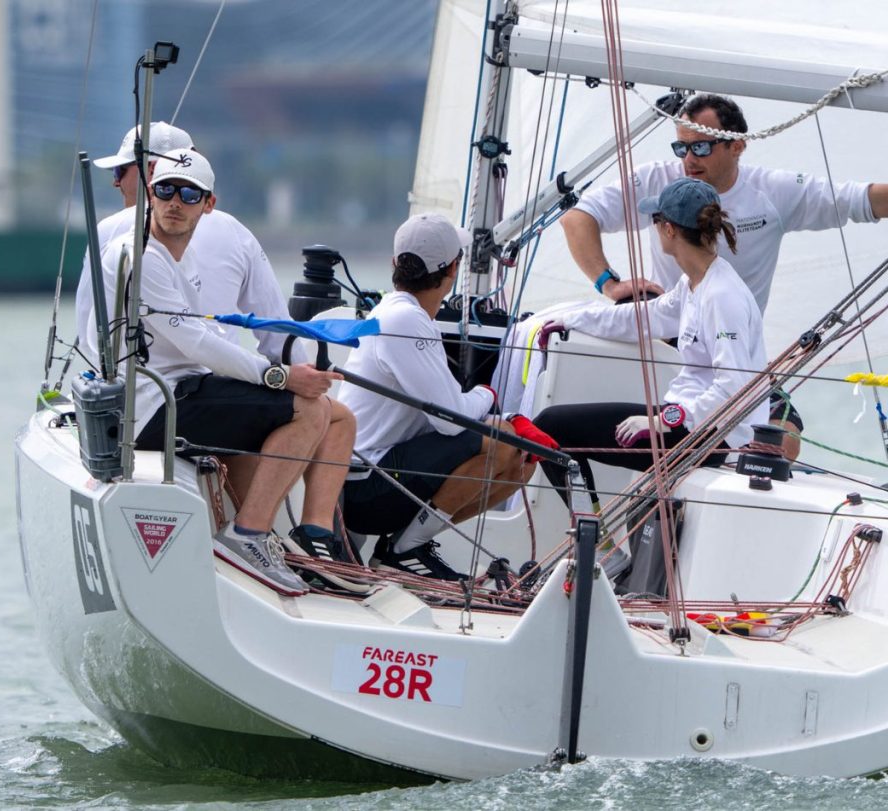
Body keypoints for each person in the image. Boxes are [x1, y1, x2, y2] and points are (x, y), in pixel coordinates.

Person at [559, 93, 887, 460]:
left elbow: (866, 199)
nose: (688, 159)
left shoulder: (772, 193)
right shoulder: (657, 181)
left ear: (737, 146)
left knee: (780, 442)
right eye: (680, 147)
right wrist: (609, 283)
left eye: (701, 146)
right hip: (669, 337)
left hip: (730, 345)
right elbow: (577, 217)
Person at [91, 149, 356, 596]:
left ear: (208, 204)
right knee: (307, 411)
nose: (176, 202)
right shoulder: (141, 256)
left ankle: (313, 538)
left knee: (337, 415)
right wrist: (281, 378)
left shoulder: (179, 258)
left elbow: (204, 338)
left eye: (189, 194)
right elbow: (194, 342)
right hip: (154, 407)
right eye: (166, 190)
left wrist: (278, 374)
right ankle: (248, 537)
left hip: (183, 392)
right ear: (150, 196)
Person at [77, 122, 307, 497]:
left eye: (121, 170)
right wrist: (292, 378)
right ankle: (275, 532)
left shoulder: (112, 233)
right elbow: (277, 332)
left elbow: (90, 336)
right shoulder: (235, 231)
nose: (115, 182)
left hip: (163, 403)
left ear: (150, 172)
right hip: (215, 390)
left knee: (291, 410)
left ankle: (252, 533)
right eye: (166, 191)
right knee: (309, 413)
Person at [336, 213, 554, 581]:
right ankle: (402, 552)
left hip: (375, 480)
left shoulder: (400, 314)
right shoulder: (405, 320)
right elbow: (450, 419)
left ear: (395, 264)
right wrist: (488, 395)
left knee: (520, 465)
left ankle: (406, 544)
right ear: (453, 269)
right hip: (365, 491)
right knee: (504, 444)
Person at [533, 178, 768, 508]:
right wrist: (575, 320)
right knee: (554, 427)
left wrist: (664, 421)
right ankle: (593, 530)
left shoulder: (721, 296)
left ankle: (591, 537)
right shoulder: (695, 283)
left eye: (655, 222)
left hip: (713, 436)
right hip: (692, 424)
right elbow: (644, 317)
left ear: (669, 230)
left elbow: (734, 387)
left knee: (551, 428)